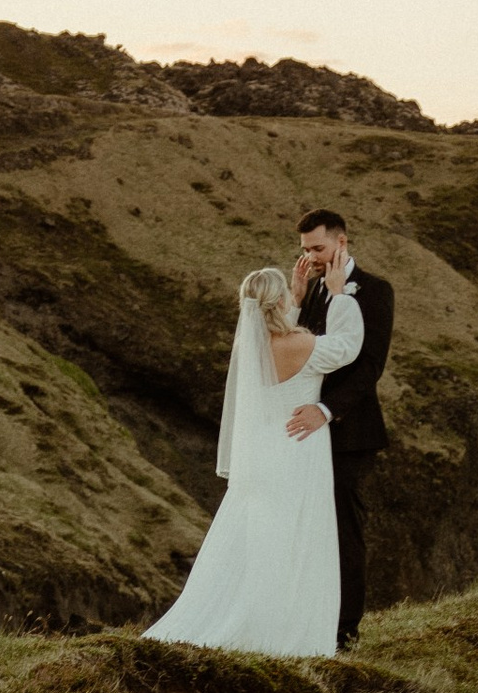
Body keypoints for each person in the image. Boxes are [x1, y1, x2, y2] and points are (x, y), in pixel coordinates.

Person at [141, 265, 340, 656]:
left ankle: (251, 614)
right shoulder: (298, 342)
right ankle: (284, 629)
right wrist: (341, 295)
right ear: (278, 300)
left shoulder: (251, 347)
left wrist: (296, 301)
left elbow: (280, 352)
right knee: (297, 540)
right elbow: (347, 348)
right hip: (296, 449)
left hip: (264, 452)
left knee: (261, 542)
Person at [288, 209, 395, 647]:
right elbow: (295, 352)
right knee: (308, 527)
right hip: (307, 432)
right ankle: (310, 619)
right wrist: (296, 299)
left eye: (318, 248)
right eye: (305, 250)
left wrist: (327, 410)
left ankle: (344, 631)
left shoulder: (376, 290)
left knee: (343, 529)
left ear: (341, 243)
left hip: (349, 432)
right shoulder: (311, 287)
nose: (311, 257)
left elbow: (370, 366)